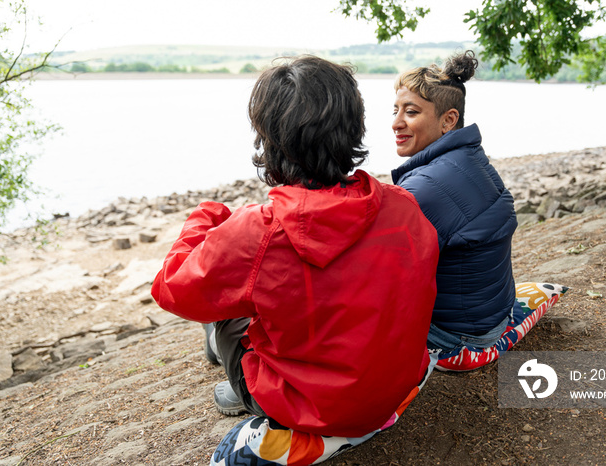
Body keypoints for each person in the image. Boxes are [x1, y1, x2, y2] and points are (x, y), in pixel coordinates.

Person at [151, 55, 440, 439]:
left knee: (224, 308)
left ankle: (249, 392)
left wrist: (207, 215)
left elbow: (171, 287)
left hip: (312, 410)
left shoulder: (258, 230)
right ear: (354, 126)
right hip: (391, 394)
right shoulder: (403, 206)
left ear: (271, 138)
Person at [391, 51, 557, 372]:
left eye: (410, 112)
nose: (396, 122)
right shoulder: (470, 159)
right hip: (494, 316)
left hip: (457, 336)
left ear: (448, 120)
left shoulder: (425, 187)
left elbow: (383, 274)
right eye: (395, 110)